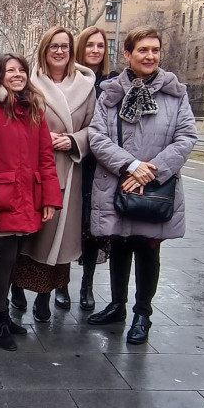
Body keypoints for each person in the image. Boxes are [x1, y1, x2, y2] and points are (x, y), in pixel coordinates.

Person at [87, 26, 197, 344]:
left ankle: (142, 314)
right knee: (120, 245)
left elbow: (187, 136)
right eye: (143, 50)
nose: (150, 56)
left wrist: (151, 171)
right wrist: (131, 166)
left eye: (155, 50)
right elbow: (97, 136)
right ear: (127, 54)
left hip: (156, 187)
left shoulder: (175, 94)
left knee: (148, 251)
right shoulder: (109, 93)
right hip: (119, 181)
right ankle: (118, 305)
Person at [0, 54, 62, 350]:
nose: (17, 74)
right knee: (6, 257)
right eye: (10, 70)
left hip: (28, 196)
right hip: (2, 199)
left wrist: (50, 197)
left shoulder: (35, 110)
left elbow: (46, 158)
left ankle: (3, 313)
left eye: (21, 69)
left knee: (14, 259)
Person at [13, 25, 96, 322]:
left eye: (64, 46)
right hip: (32, 170)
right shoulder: (28, 82)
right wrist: (42, 139)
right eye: (53, 46)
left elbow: (94, 128)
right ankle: (17, 287)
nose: (59, 51)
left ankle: (44, 296)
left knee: (57, 240)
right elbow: (17, 122)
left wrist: (74, 141)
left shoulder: (87, 86)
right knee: (25, 236)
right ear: (44, 50)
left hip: (69, 170)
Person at [73, 26, 119, 310]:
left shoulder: (113, 83)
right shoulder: (70, 80)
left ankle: (86, 284)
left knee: (94, 226)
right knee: (69, 224)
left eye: (100, 46)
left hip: (100, 165)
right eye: (90, 45)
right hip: (73, 158)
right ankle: (60, 284)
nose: (95, 50)